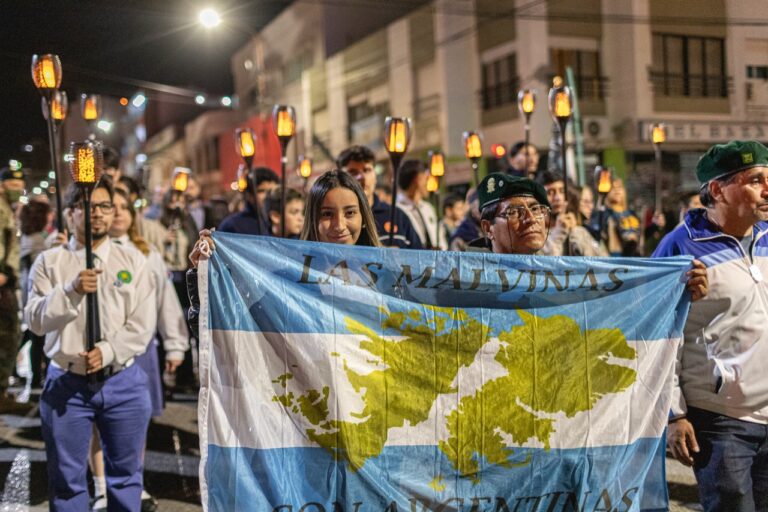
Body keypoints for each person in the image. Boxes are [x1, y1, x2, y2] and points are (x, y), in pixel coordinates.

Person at [24, 178, 155, 511]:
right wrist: (70, 291)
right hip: (66, 384)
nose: (96, 213)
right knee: (67, 482)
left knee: (126, 477)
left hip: (123, 381)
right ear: (69, 215)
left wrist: (108, 351)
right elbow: (36, 321)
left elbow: (142, 324)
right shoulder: (49, 262)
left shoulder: (132, 261)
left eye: (104, 206)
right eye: (86, 206)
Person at [654, 140, 767, 512]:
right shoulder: (679, 249)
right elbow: (658, 337)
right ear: (718, 189)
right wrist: (675, 415)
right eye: (755, 180)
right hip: (722, 421)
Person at [87, 188, 188, 511]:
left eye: (122, 207)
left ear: (132, 215)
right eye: (108, 206)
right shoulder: (86, 252)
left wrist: (175, 345)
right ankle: (102, 487)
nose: (115, 213)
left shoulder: (148, 255)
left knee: (133, 425)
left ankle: (132, 482)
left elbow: (165, 304)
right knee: (96, 424)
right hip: (97, 351)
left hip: (139, 352)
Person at [186, 169, 380, 337]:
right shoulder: (288, 279)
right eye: (327, 214)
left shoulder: (389, 277)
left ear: (364, 217)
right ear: (312, 219)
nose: (339, 225)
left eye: (350, 213)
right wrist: (204, 276)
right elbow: (231, 330)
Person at [337, 146, 421, 249]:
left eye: (367, 170)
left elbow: (420, 258)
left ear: (375, 176)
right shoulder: (335, 221)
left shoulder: (397, 216)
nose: (361, 177)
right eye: (353, 172)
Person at [0, 166, 30, 413]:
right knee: (8, 336)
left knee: (10, 336)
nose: (16, 191)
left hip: (8, 280)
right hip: (3, 281)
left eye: (19, 187)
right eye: (11, 186)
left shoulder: (9, 209)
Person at [19, 199, 53, 388]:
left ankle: (32, 378)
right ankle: (38, 381)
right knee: (40, 339)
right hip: (38, 295)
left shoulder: (26, 237)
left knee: (32, 336)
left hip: (28, 294)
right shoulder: (39, 241)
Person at [477, 172, 551, 254]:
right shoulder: (468, 265)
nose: (531, 219)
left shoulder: (552, 264)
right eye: (513, 212)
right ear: (488, 229)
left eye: (535, 209)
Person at [539, 171, 607, 256]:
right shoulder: (536, 235)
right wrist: (558, 233)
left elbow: (602, 261)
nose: (557, 198)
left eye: (562, 191)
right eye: (550, 193)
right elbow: (545, 266)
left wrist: (576, 234)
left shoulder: (580, 231)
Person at [396, 159, 446, 249]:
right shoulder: (397, 211)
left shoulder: (428, 208)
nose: (428, 183)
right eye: (426, 178)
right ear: (417, 179)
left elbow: (440, 237)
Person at [218, 166, 278, 235]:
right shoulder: (232, 225)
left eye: (272, 191)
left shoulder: (283, 222)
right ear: (249, 195)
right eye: (262, 191)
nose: (268, 195)